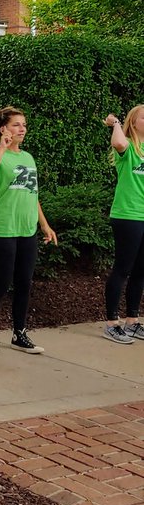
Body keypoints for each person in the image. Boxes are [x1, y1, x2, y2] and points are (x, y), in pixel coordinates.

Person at [0, 106, 57, 354]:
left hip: (26, 229)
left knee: (24, 283)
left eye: (24, 125)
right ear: (4, 129)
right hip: (2, 227)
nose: (22, 129)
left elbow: (33, 194)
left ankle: (19, 334)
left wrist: (44, 224)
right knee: (1, 283)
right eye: (16, 125)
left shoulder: (28, 158)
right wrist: (2, 148)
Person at [102, 108, 144, 343]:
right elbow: (118, 141)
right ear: (134, 123)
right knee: (123, 268)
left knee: (141, 271)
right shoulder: (127, 146)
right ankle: (111, 323)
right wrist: (115, 122)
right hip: (128, 216)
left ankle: (132, 321)